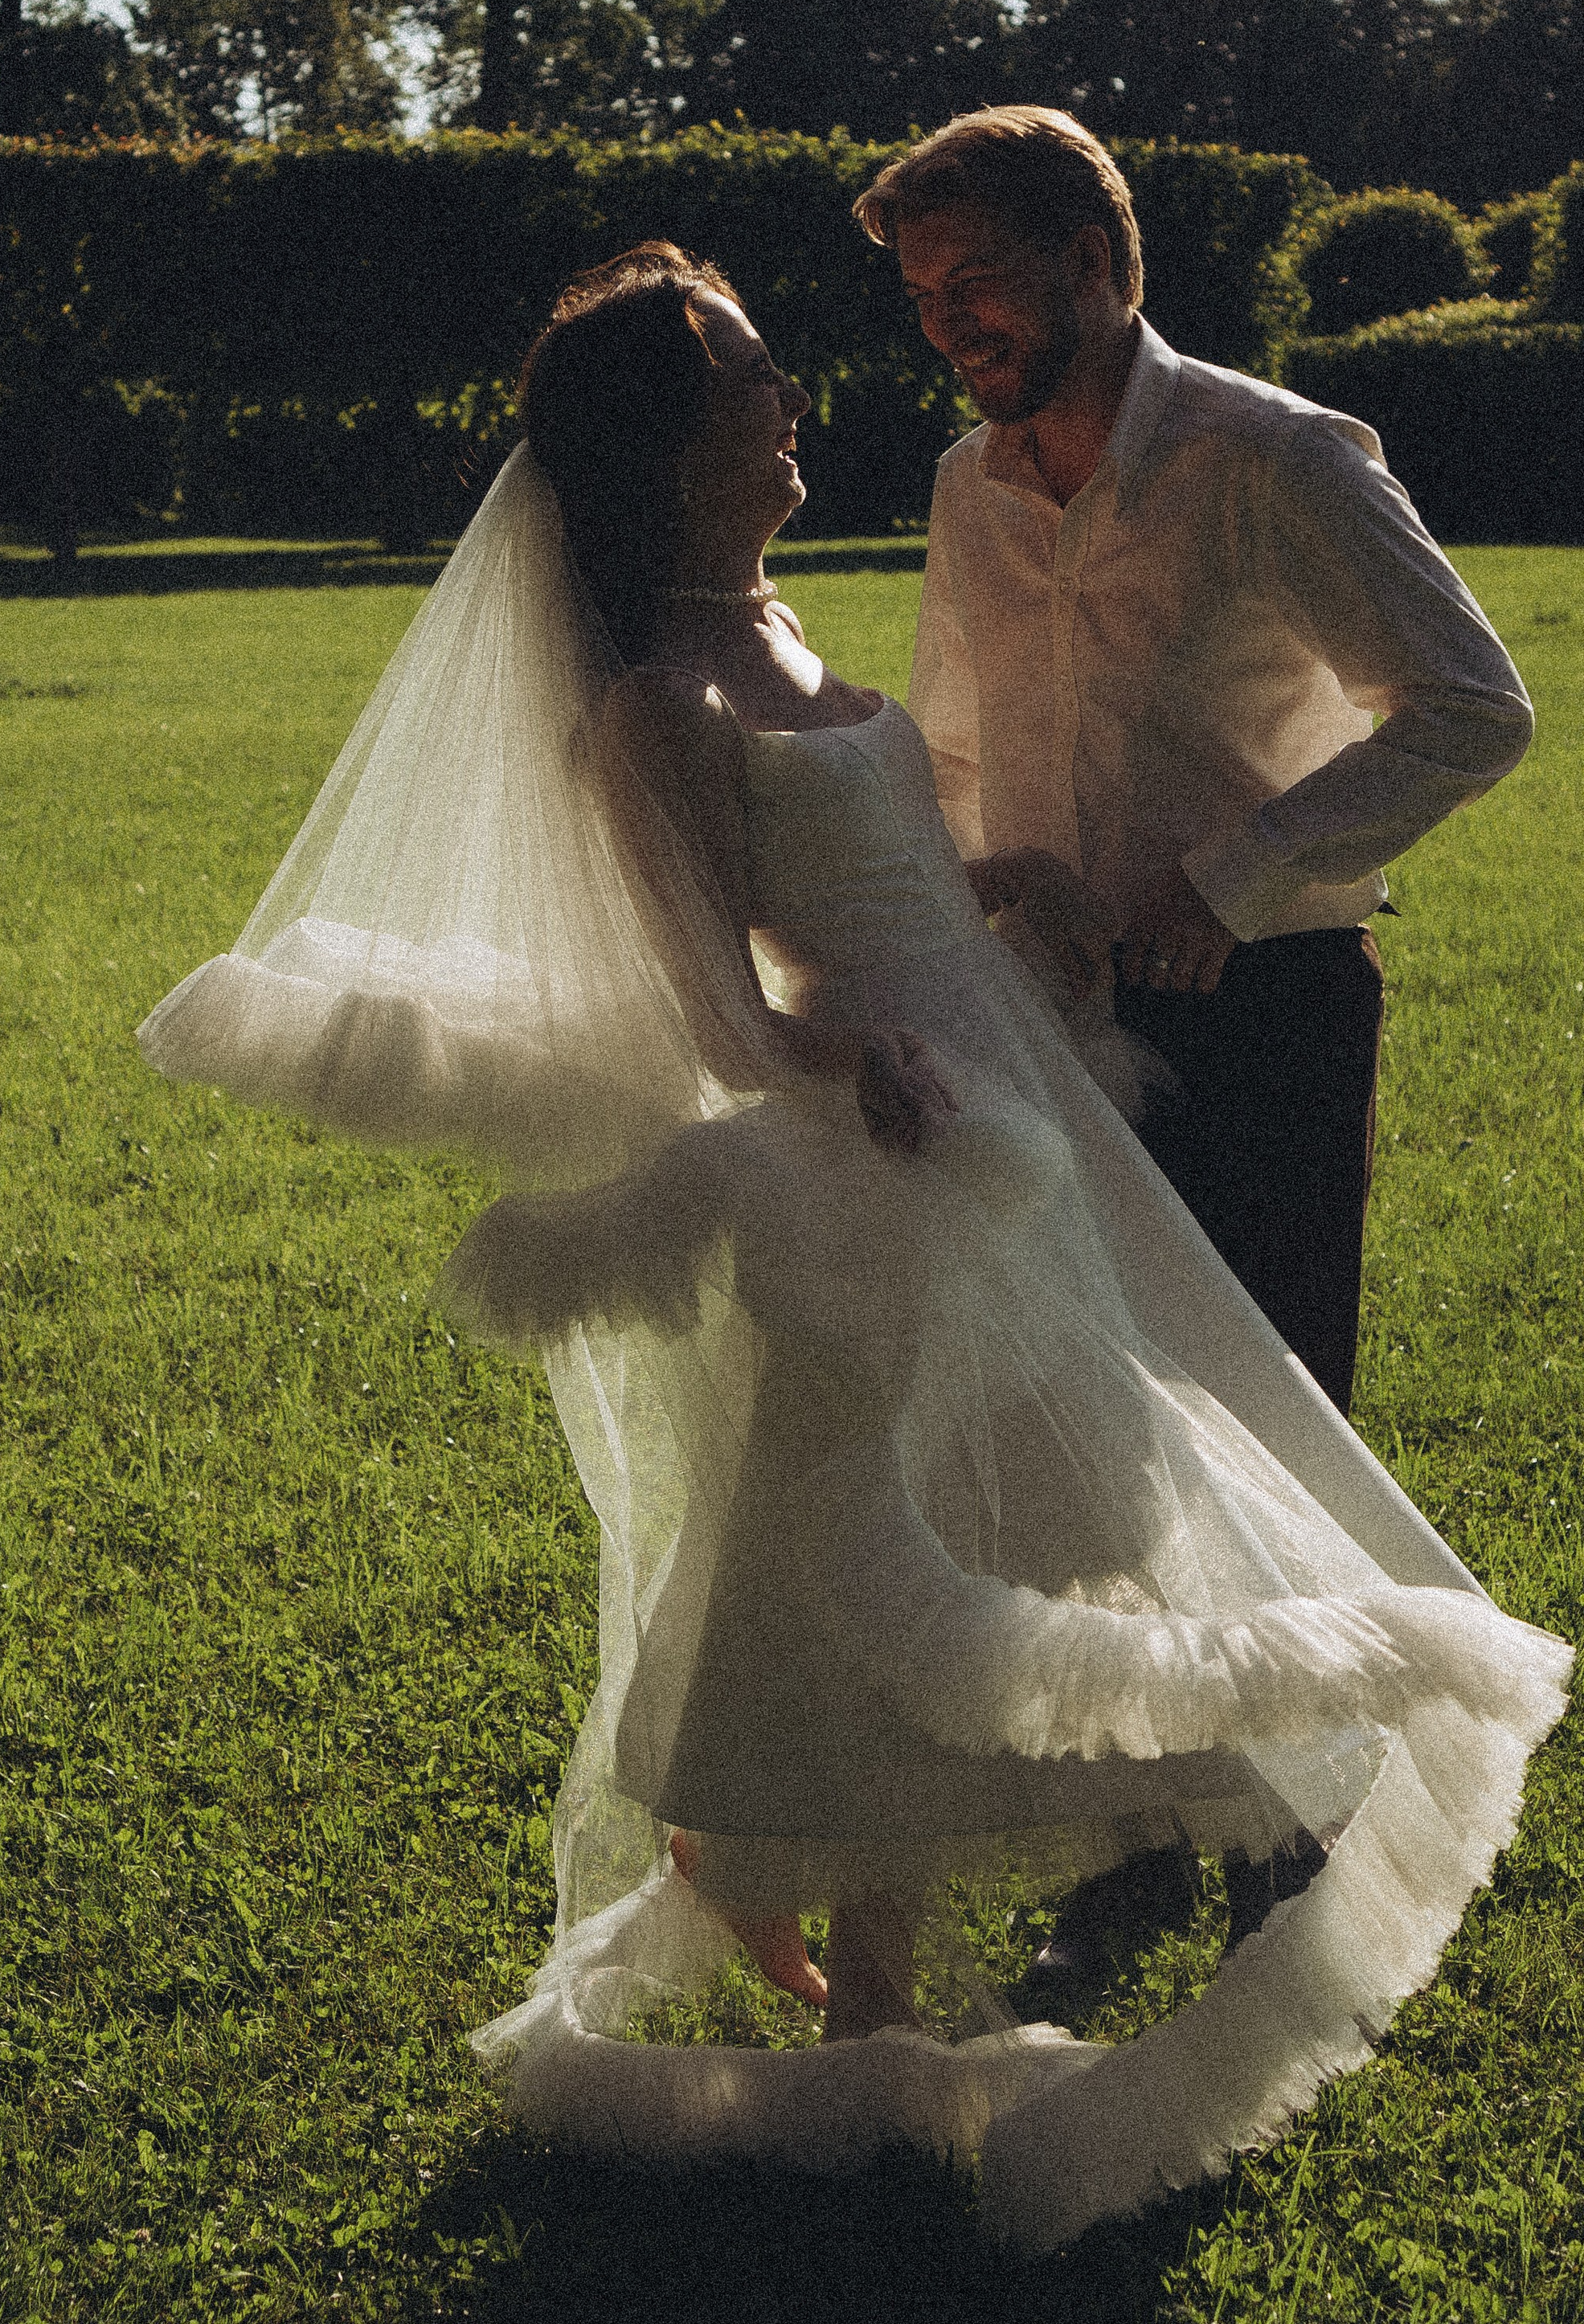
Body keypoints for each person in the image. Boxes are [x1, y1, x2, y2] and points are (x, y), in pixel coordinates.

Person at [137, 246, 1566, 2255]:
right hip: (873, 1141)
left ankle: (818, 1925)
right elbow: (722, 1013)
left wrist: (990, 878)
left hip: (1005, 1104)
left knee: (1006, 1509)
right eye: (746, 372)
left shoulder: (780, 625)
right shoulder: (650, 705)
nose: (788, 390)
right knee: (875, 1534)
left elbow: (862, 857)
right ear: (668, 445)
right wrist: (855, 1056)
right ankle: (829, 1954)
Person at [853, 106, 1534, 1423]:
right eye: (924, 296)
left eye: (973, 282)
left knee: (1274, 1430)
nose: (945, 325)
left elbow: (1473, 708)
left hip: (1265, 1018)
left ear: (1090, 261)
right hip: (1040, 1020)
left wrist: (1229, 881)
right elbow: (950, 752)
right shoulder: (964, 486)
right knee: (1071, 1432)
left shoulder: (1279, 456)